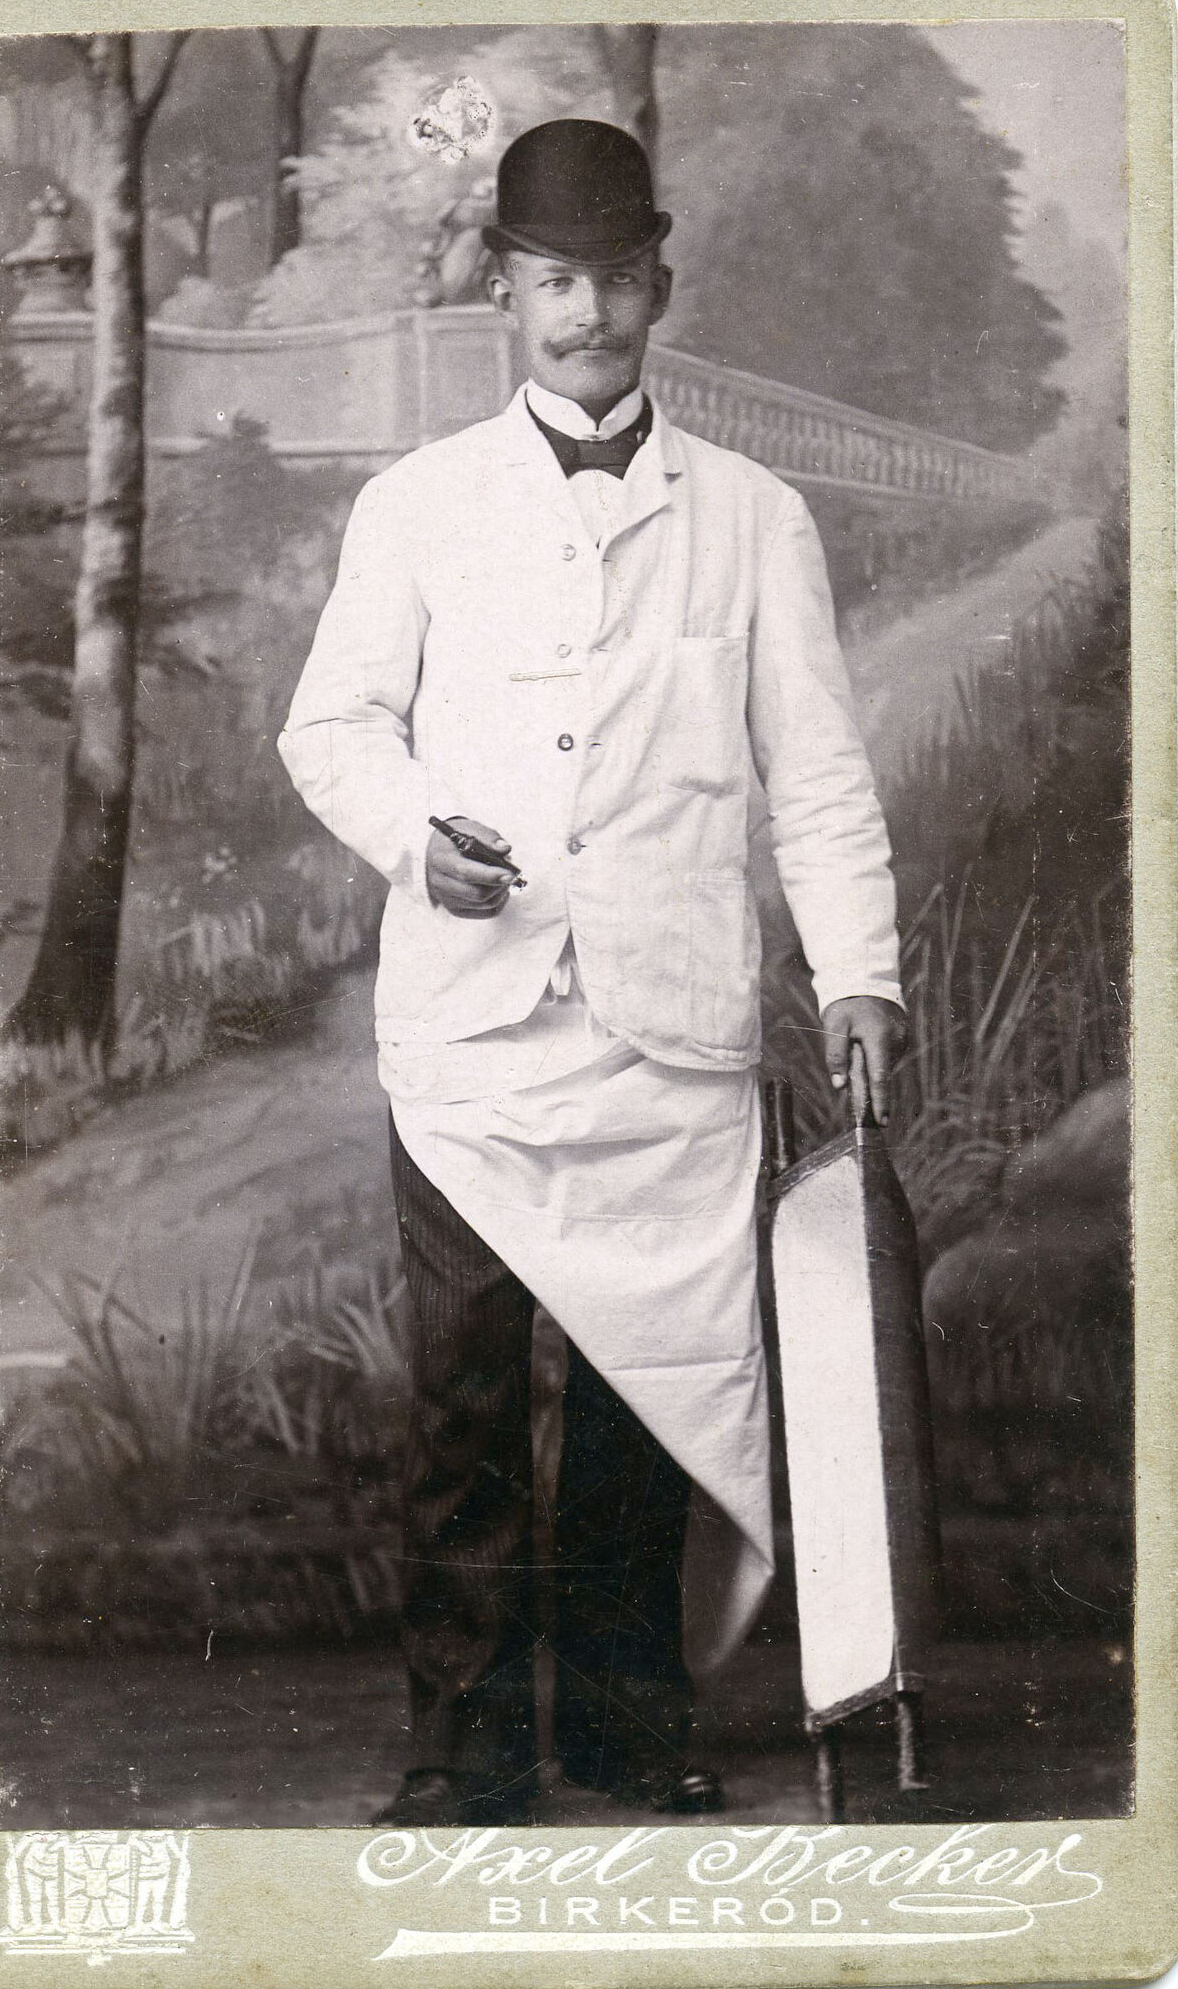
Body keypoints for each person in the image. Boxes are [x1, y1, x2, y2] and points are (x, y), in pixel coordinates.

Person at [278, 117, 907, 1827]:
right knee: (466, 1395)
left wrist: (857, 974)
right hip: (472, 1032)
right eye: (556, 280)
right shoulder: (417, 506)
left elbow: (817, 775)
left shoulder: (755, 519)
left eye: (618, 280)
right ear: (504, 288)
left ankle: (629, 1728)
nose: (588, 315)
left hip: (670, 1026)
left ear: (660, 289)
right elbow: (332, 730)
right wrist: (416, 836)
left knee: (654, 1388)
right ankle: (464, 1749)